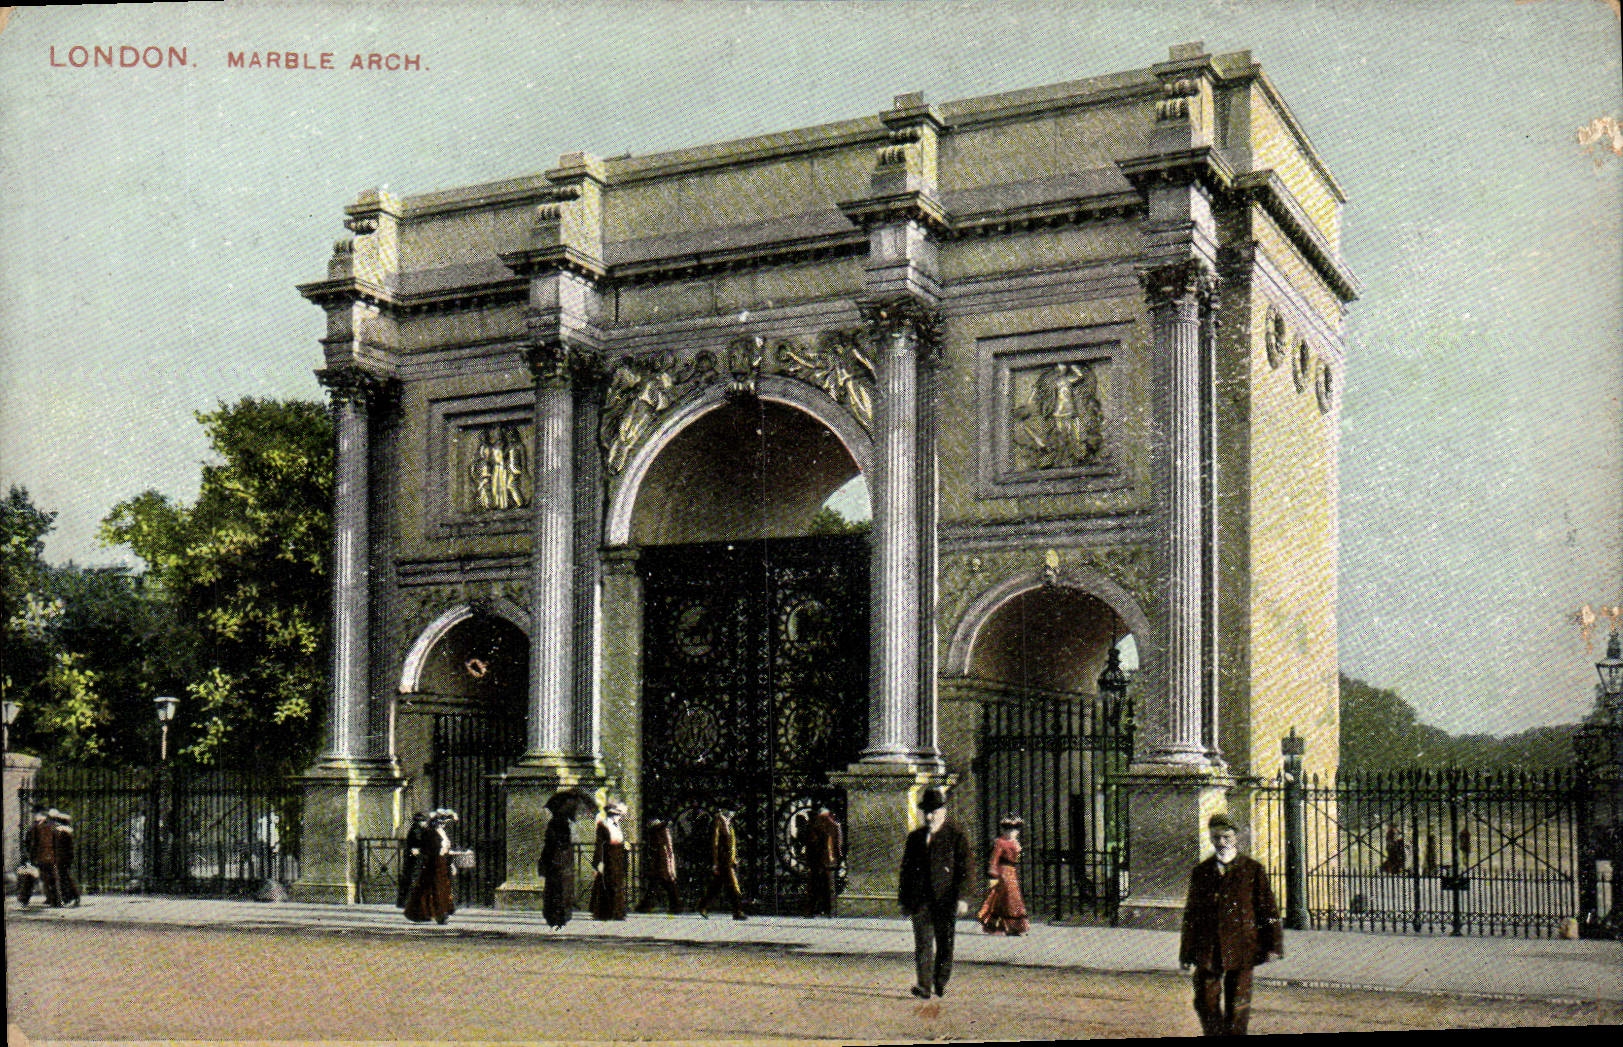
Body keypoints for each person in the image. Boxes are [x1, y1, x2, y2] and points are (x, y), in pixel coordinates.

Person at [1179, 813, 1284, 1037]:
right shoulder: (1202, 871)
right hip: (1209, 946)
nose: (1222, 842)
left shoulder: (1252, 869)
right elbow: (1192, 915)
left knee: (1238, 1003)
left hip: (1242, 944)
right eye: (1216, 837)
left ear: (1236, 837)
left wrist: (1274, 946)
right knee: (1205, 1001)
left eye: (1226, 837)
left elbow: (1268, 910)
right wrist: (1186, 952)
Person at [898, 787, 971, 999]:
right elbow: (906, 871)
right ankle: (924, 985)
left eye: (934, 811)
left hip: (945, 900)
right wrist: (904, 900)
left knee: (945, 944)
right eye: (926, 812)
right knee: (922, 944)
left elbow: (966, 869)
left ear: (943, 811)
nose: (929, 816)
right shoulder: (915, 838)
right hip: (920, 901)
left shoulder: (956, 836)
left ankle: (940, 980)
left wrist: (963, 897)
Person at [977, 815, 1029, 936]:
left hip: (1012, 873)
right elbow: (993, 860)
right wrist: (993, 876)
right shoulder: (1000, 842)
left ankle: (1014, 927)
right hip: (1002, 873)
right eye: (1008, 830)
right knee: (1006, 899)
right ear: (1004, 830)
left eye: (1014, 830)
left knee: (1013, 899)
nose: (1011, 832)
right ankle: (1001, 927)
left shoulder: (1015, 842)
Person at [404, 809, 456, 925]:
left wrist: (450, 861)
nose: (443, 824)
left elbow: (446, 848)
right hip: (433, 863)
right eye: (441, 822)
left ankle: (433, 913)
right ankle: (439, 914)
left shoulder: (442, 833)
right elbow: (428, 848)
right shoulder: (430, 833)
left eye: (444, 822)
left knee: (438, 888)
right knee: (434, 888)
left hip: (442, 863)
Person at [698, 806, 747, 920]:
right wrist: (715, 862)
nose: (733, 813)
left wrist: (734, 858)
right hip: (723, 860)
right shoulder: (719, 822)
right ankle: (737, 911)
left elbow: (732, 844)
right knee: (733, 886)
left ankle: (702, 906)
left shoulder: (729, 823)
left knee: (716, 886)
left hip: (729, 860)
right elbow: (715, 843)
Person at [539, 802, 577, 930]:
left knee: (554, 889)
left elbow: (550, 843)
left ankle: (554, 918)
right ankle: (561, 918)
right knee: (562, 889)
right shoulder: (565, 824)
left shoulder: (555, 823)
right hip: (563, 861)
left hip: (555, 861)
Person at [591, 801, 629, 920]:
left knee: (617, 884)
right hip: (608, 857)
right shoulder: (604, 826)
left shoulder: (617, 826)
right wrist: (599, 862)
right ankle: (607, 913)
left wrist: (624, 847)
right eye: (617, 815)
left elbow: (619, 840)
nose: (619, 817)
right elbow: (599, 845)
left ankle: (617, 912)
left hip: (617, 857)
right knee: (608, 884)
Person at [804, 806, 843, 917]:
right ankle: (830, 911)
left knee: (814, 886)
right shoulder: (834, 826)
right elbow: (838, 845)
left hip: (817, 861)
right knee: (829, 887)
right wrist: (837, 858)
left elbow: (811, 844)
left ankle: (811, 911)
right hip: (829, 861)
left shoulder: (813, 826)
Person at [637, 817, 681, 914]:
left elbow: (664, 849)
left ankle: (646, 906)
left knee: (662, 885)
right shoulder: (663, 830)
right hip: (662, 862)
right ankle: (646, 905)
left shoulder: (658, 832)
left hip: (661, 863)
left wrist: (667, 865)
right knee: (661, 885)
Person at [19, 807, 57, 907]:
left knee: (44, 878)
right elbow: (28, 840)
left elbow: (29, 841)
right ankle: (52, 899)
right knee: (45, 878)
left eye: (37, 814)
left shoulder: (43, 826)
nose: (36, 816)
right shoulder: (43, 826)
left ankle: (25, 898)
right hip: (41, 856)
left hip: (42, 856)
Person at [396, 811, 431, 909]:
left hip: (412, 857)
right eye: (424, 821)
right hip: (416, 858)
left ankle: (404, 901)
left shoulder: (415, 829)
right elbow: (419, 843)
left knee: (409, 878)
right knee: (413, 878)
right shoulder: (417, 830)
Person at [54, 811, 81, 907]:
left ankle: (68, 898)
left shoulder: (62, 832)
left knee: (63, 878)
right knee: (66, 877)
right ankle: (74, 896)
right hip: (66, 858)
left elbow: (59, 847)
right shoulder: (67, 832)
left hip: (61, 858)